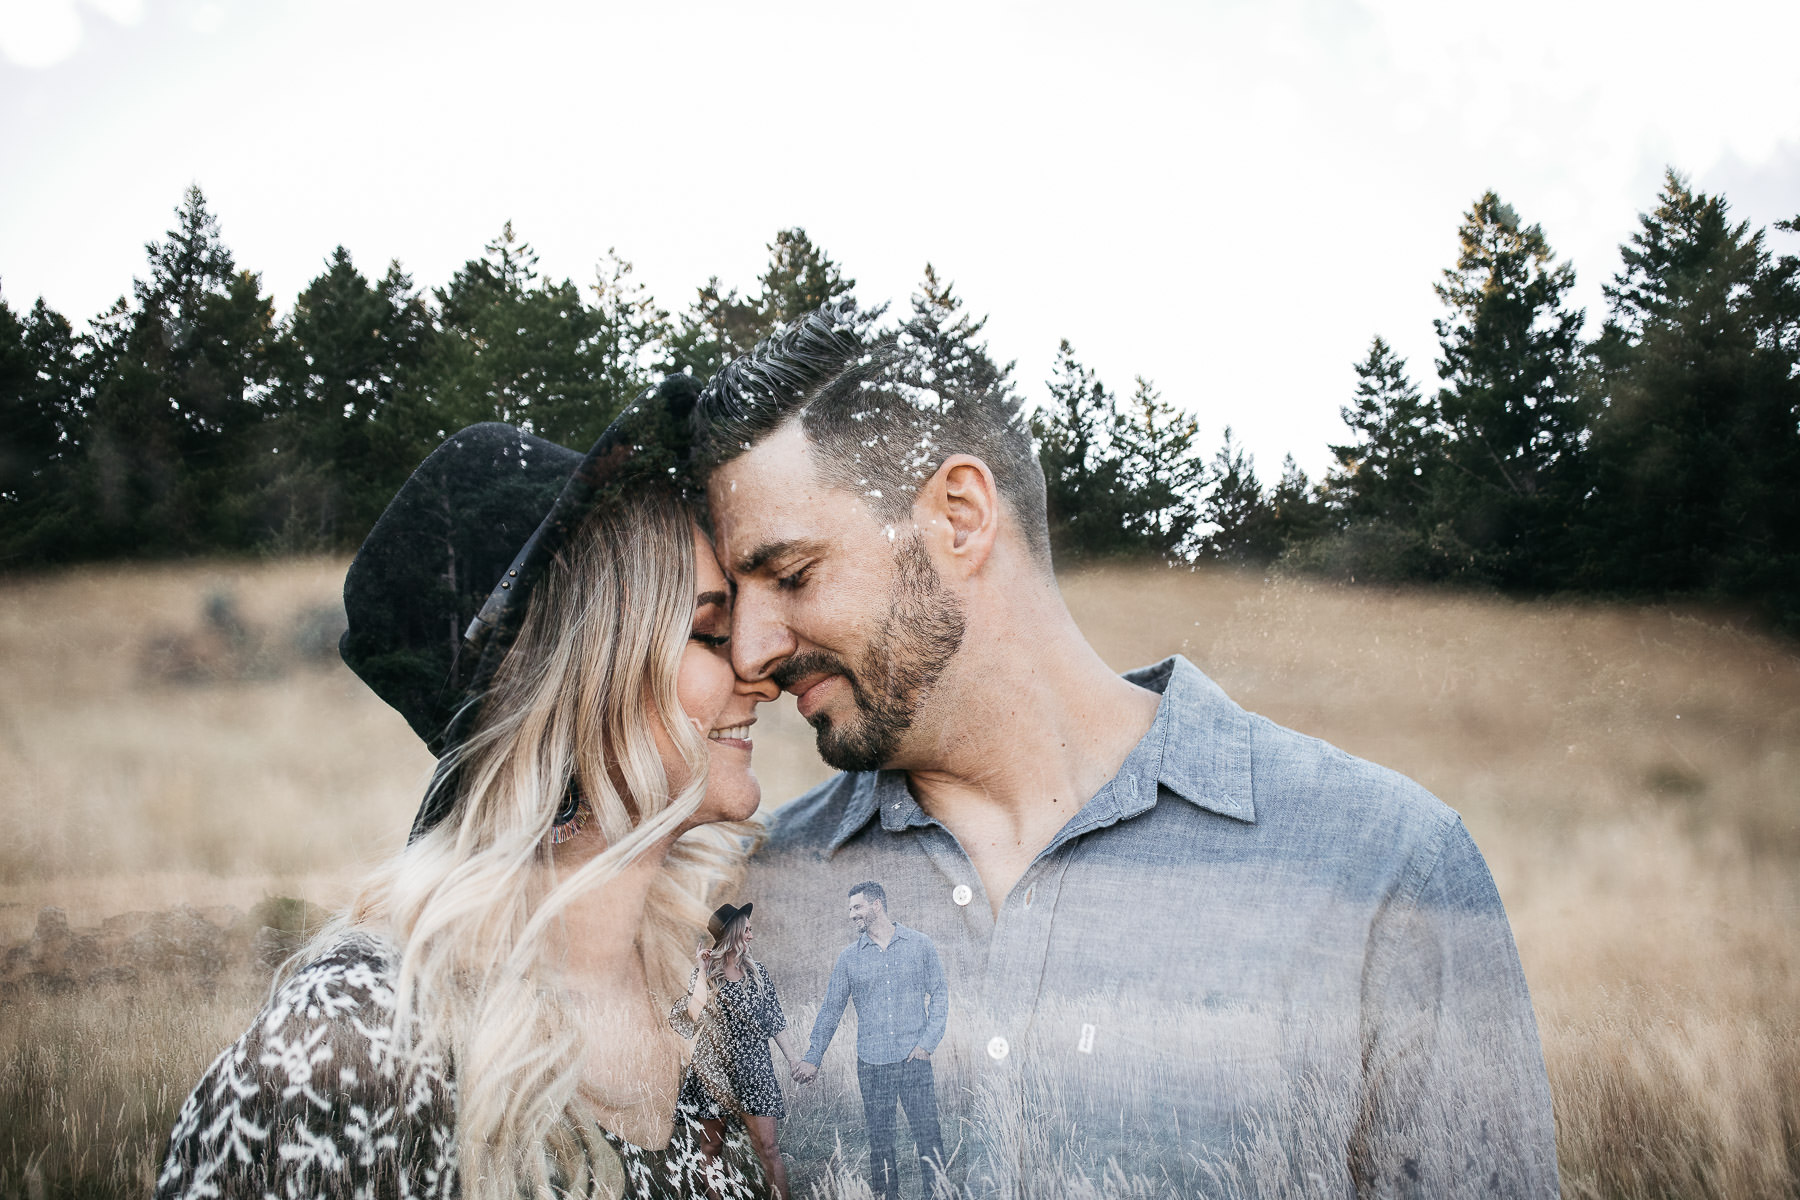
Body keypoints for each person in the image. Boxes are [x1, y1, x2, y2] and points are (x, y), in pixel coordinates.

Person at [690, 302, 1561, 1197]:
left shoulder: (1386, 869)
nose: (751, 653)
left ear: (959, 516)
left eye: (791, 576)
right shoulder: (748, 907)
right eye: (731, 609)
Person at [156, 382, 780, 1200]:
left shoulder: (711, 997)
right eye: (708, 631)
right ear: (576, 683)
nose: (759, 670)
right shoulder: (349, 1053)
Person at [793, 881, 947, 1200]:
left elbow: (941, 994)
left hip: (914, 1060)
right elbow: (830, 1009)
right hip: (873, 1066)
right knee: (881, 1143)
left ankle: (940, 1194)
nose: (851, 915)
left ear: (876, 905)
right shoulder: (849, 958)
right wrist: (812, 1056)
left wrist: (927, 1044)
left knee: (929, 1137)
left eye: (856, 907)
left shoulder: (920, 944)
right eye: (851, 909)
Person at [671, 901, 803, 1199]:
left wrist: (794, 1060)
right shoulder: (706, 974)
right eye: (747, 930)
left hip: (755, 1070)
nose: (751, 937)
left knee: (768, 1148)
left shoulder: (759, 975)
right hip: (714, 1071)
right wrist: (702, 970)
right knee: (712, 1148)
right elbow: (693, 1014)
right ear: (732, 934)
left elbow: (775, 1021)